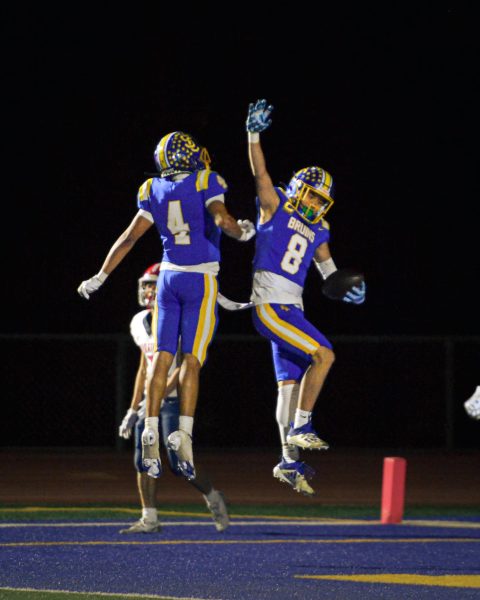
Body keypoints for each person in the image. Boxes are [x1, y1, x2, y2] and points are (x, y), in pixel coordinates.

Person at [78, 131, 256, 481]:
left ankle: (150, 428)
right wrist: (244, 233)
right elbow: (222, 220)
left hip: (168, 279)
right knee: (191, 359)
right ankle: (184, 436)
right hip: (199, 280)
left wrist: (99, 276)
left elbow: (129, 238)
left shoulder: (151, 189)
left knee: (161, 356)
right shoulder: (206, 179)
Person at [244, 99, 366, 496]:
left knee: (288, 386)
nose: (314, 204)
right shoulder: (274, 204)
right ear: (298, 189)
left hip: (292, 307)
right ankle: (303, 425)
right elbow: (259, 171)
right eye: (311, 196)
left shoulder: (319, 229)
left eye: (320, 200)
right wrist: (254, 134)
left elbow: (329, 273)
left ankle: (288, 460)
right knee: (325, 355)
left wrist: (349, 290)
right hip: (270, 305)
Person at [118, 263, 229, 533]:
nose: (148, 290)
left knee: (179, 462)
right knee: (143, 459)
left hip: (174, 399)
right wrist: (133, 408)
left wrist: (155, 397)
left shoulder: (177, 319)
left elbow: (183, 367)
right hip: (151, 400)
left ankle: (212, 496)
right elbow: (144, 367)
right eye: (145, 284)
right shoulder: (138, 322)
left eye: (153, 284)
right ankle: (150, 518)